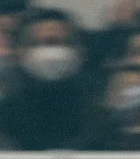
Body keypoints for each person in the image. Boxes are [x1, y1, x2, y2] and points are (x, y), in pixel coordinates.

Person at [0, 8, 101, 149]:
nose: (51, 52)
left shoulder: (99, 114)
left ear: (81, 52)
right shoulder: (4, 115)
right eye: (39, 43)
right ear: (18, 54)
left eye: (59, 42)